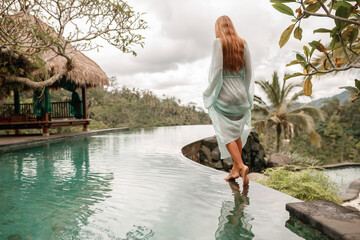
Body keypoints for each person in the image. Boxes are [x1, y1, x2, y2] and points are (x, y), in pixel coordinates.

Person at [203, 15, 254, 185]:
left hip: (225, 94)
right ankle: (234, 170)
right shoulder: (243, 43)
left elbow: (217, 71)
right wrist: (244, 92)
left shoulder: (218, 42)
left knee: (226, 133)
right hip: (240, 93)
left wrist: (210, 90)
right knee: (236, 132)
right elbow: (249, 73)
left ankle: (240, 165)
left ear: (218, 27)